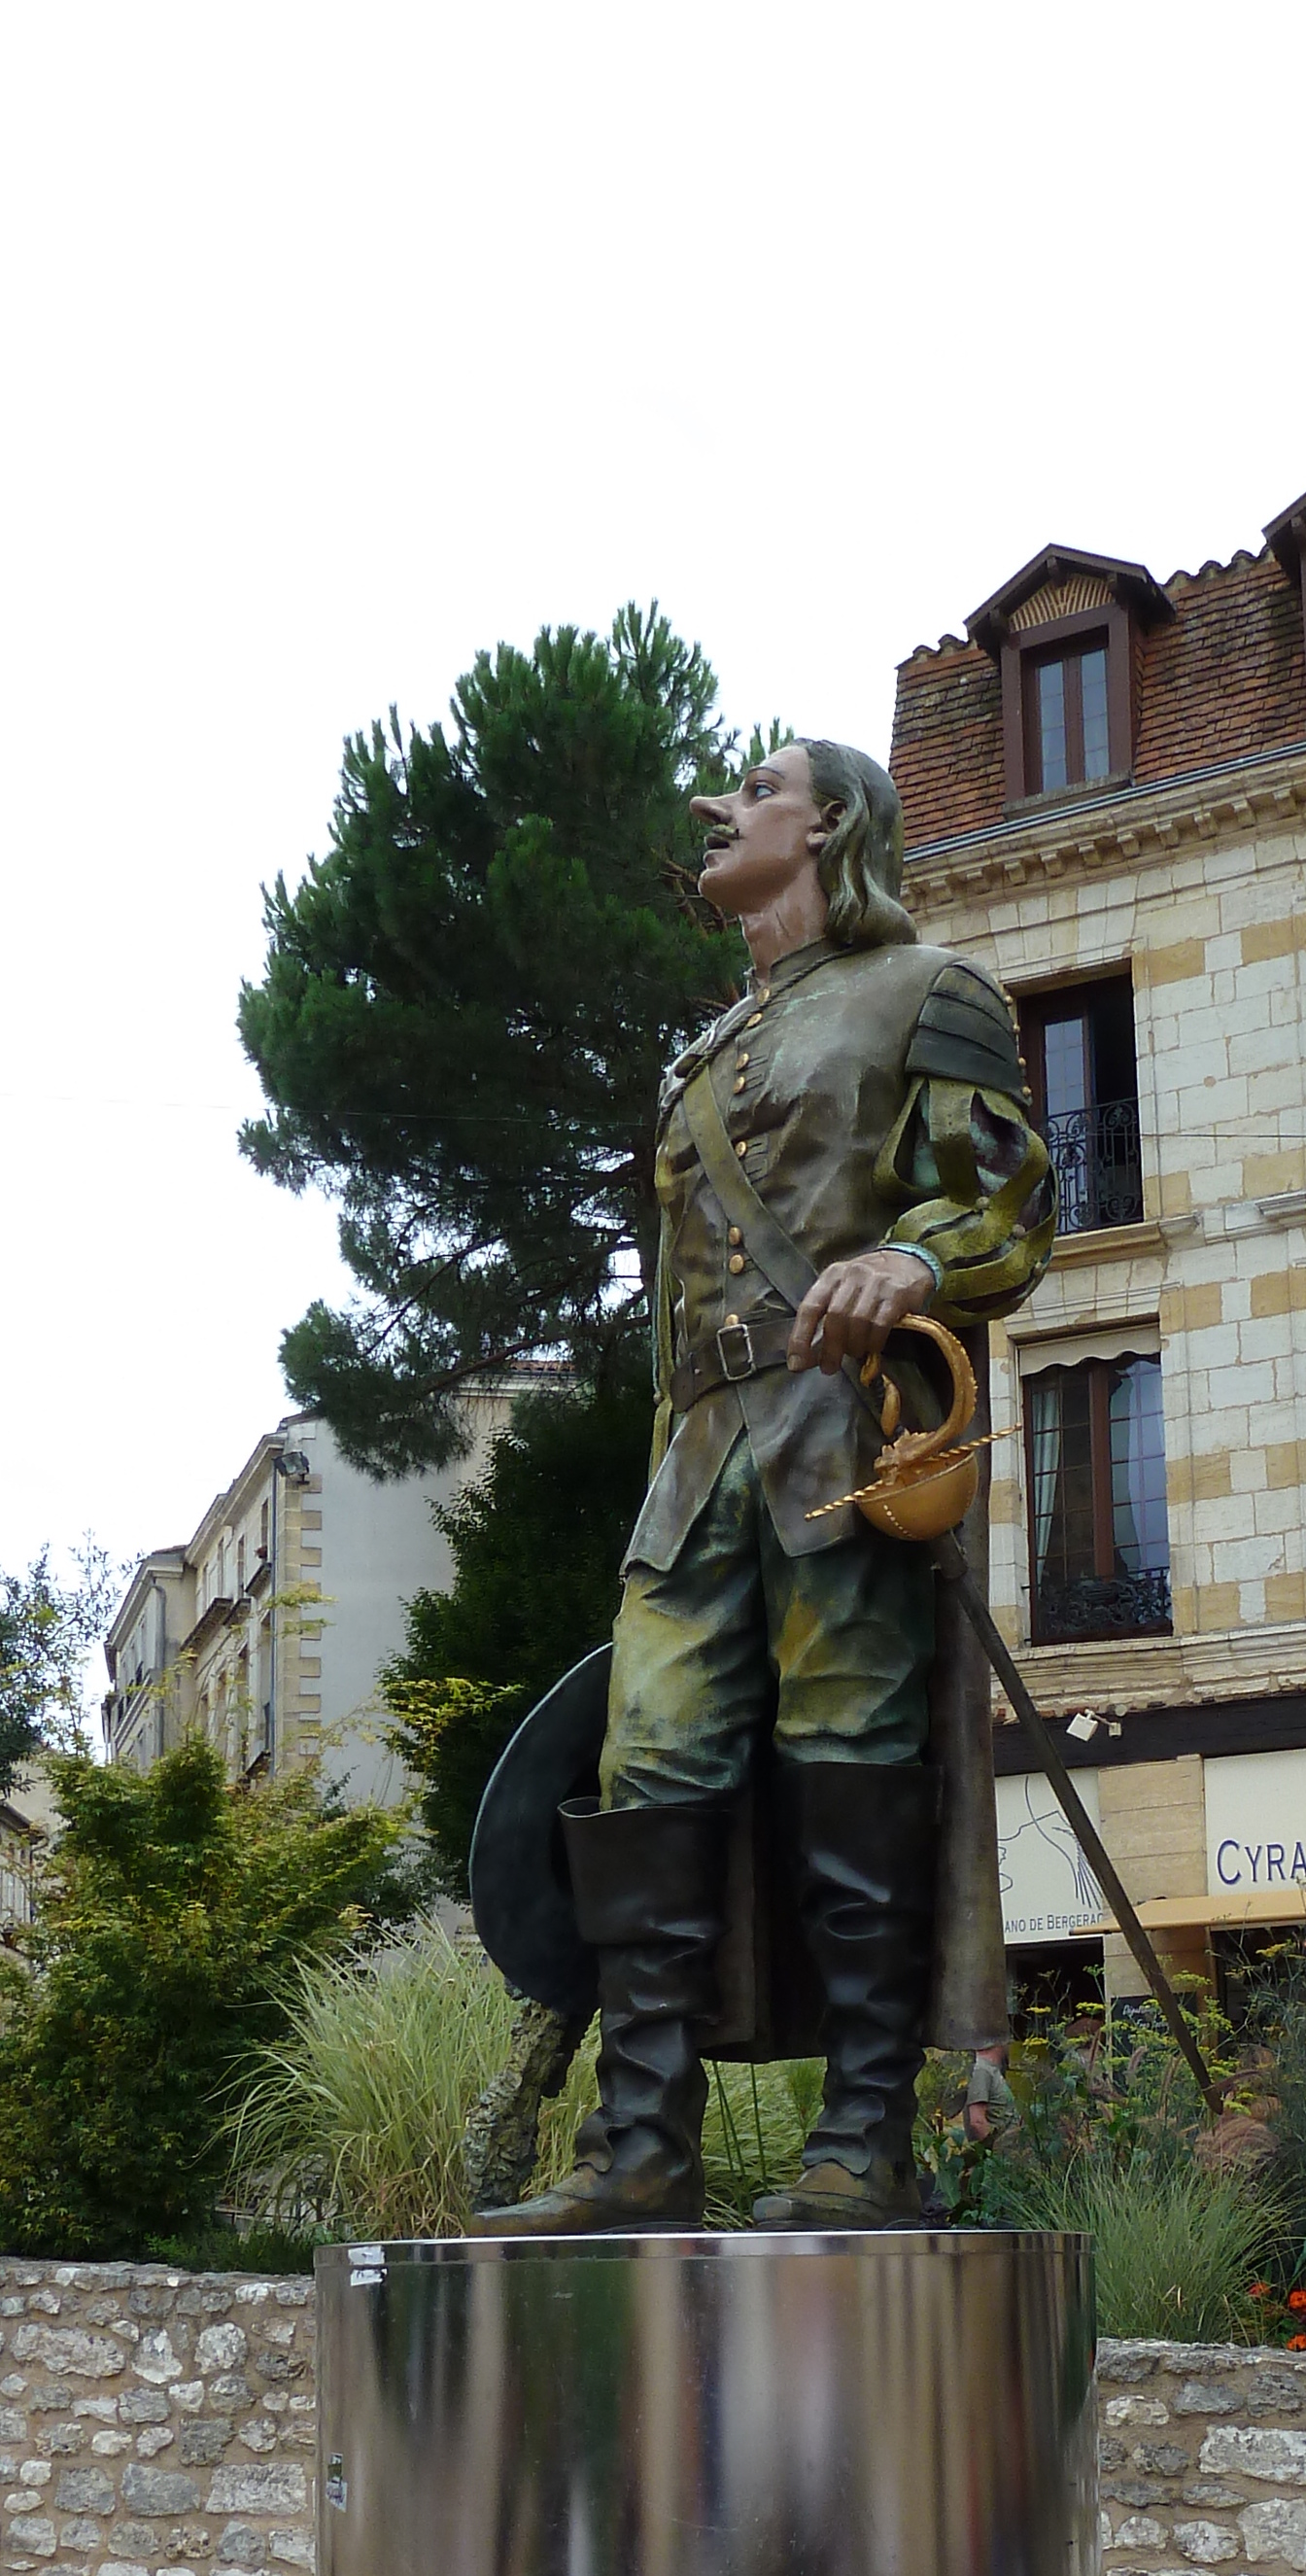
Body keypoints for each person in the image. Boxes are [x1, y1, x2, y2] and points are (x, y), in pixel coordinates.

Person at [481, 737, 1053, 2236]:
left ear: (831, 827)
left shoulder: (932, 990)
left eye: (753, 787)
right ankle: (639, 2147)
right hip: (696, 1460)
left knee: (851, 1770)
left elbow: (1009, 1206)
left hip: (843, 1442)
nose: (713, 810)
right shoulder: (699, 1050)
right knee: (647, 1775)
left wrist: (912, 1256)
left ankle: (862, 2143)